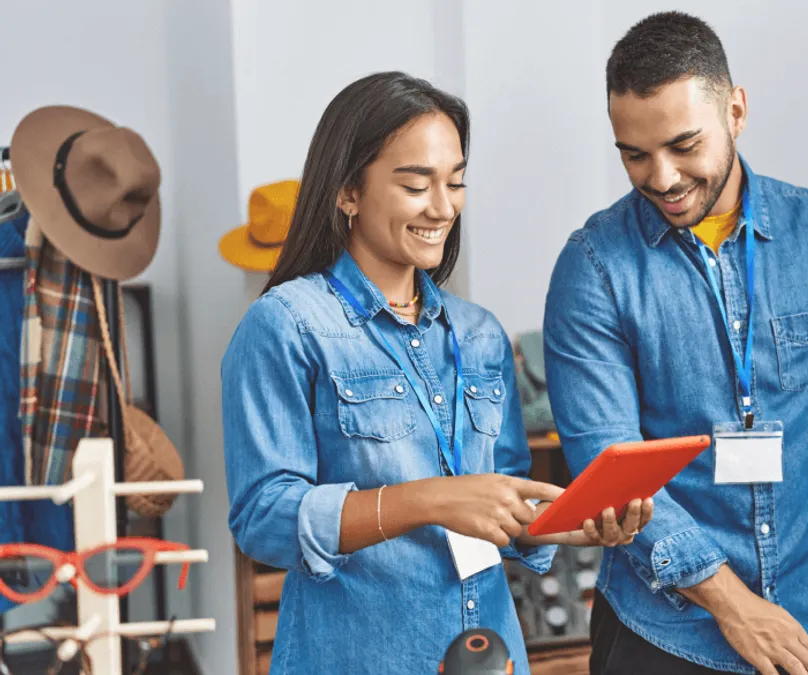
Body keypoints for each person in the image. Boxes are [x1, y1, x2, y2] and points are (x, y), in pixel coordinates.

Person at [222, 72, 653, 675]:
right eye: (415, 184)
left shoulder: (479, 334)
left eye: (454, 182)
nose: (443, 206)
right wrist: (430, 501)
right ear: (347, 191)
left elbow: (498, 497)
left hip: (491, 651)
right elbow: (264, 518)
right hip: (358, 657)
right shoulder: (286, 326)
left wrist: (563, 525)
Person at [544, 12, 808, 675]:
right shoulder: (592, 268)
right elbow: (611, 462)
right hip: (662, 635)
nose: (661, 177)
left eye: (684, 144)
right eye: (634, 153)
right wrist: (732, 604)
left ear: (736, 111)